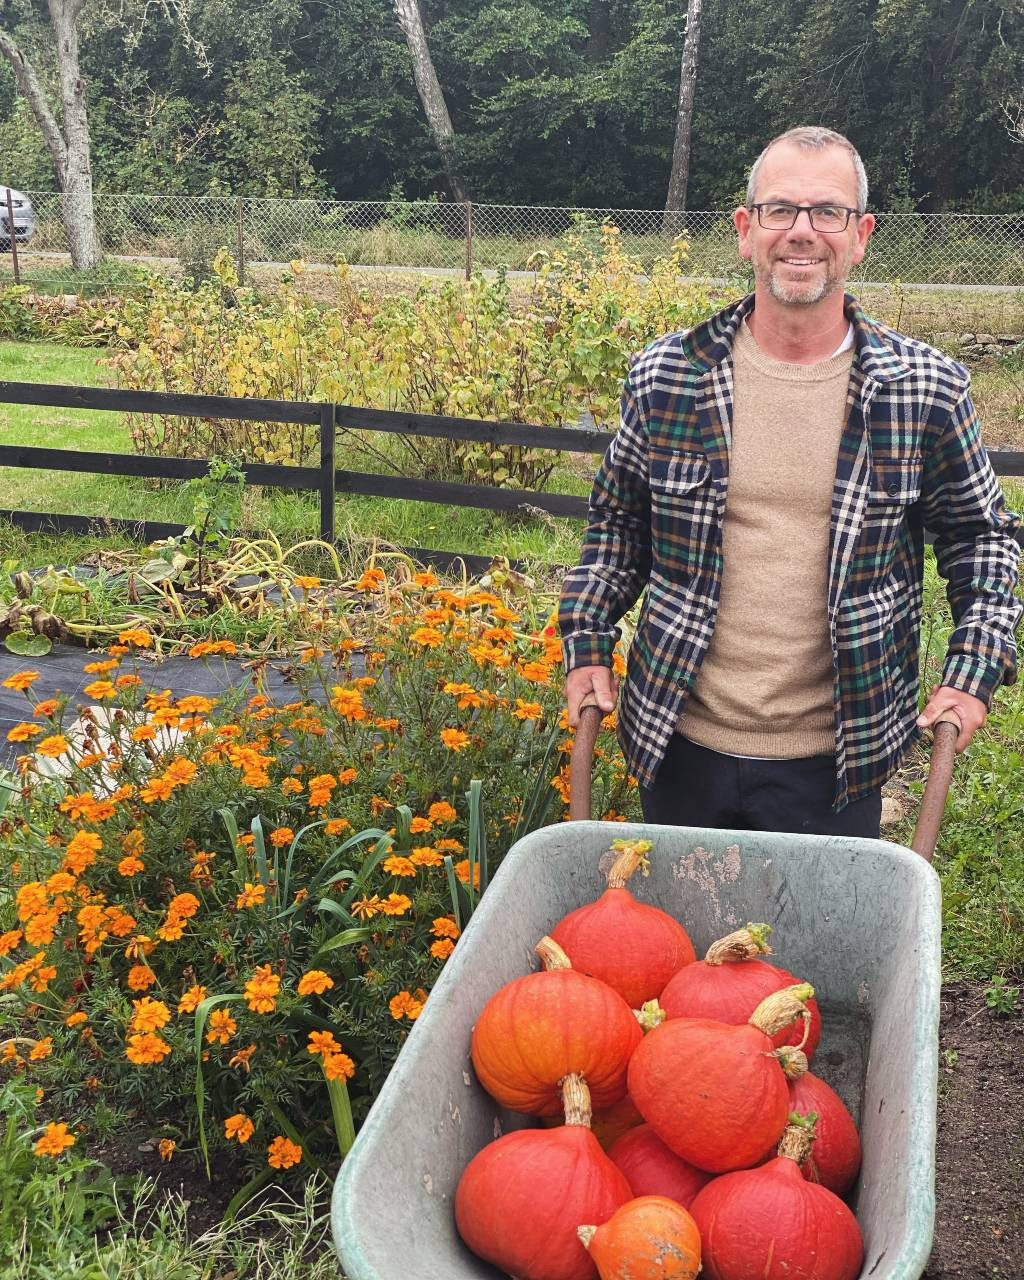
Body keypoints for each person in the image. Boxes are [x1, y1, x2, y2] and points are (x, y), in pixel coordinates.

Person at [559, 125, 1022, 838]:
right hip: (680, 743)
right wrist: (586, 638)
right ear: (746, 231)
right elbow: (618, 526)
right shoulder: (669, 376)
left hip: (840, 758)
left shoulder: (924, 389)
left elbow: (981, 541)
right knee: (681, 947)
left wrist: (974, 666)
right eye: (780, 210)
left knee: (813, 949)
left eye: (827, 212)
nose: (802, 232)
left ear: (861, 235)